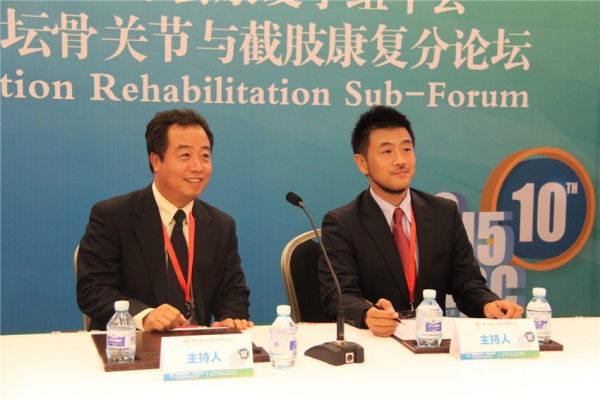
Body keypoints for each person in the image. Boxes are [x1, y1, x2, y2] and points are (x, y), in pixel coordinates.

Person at [318, 105, 523, 337]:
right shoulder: (343, 223)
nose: (400, 160)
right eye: (387, 152)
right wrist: (367, 314)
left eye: (407, 149)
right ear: (362, 163)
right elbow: (338, 296)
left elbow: (468, 284)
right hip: (377, 343)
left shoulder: (443, 213)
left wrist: (488, 304)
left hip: (431, 341)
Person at [77, 109, 253, 332]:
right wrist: (145, 316)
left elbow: (232, 292)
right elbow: (93, 289)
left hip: (196, 346)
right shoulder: (113, 216)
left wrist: (231, 318)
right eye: (185, 155)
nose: (198, 167)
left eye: (205, 156)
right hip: (132, 344)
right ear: (156, 161)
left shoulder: (221, 225)